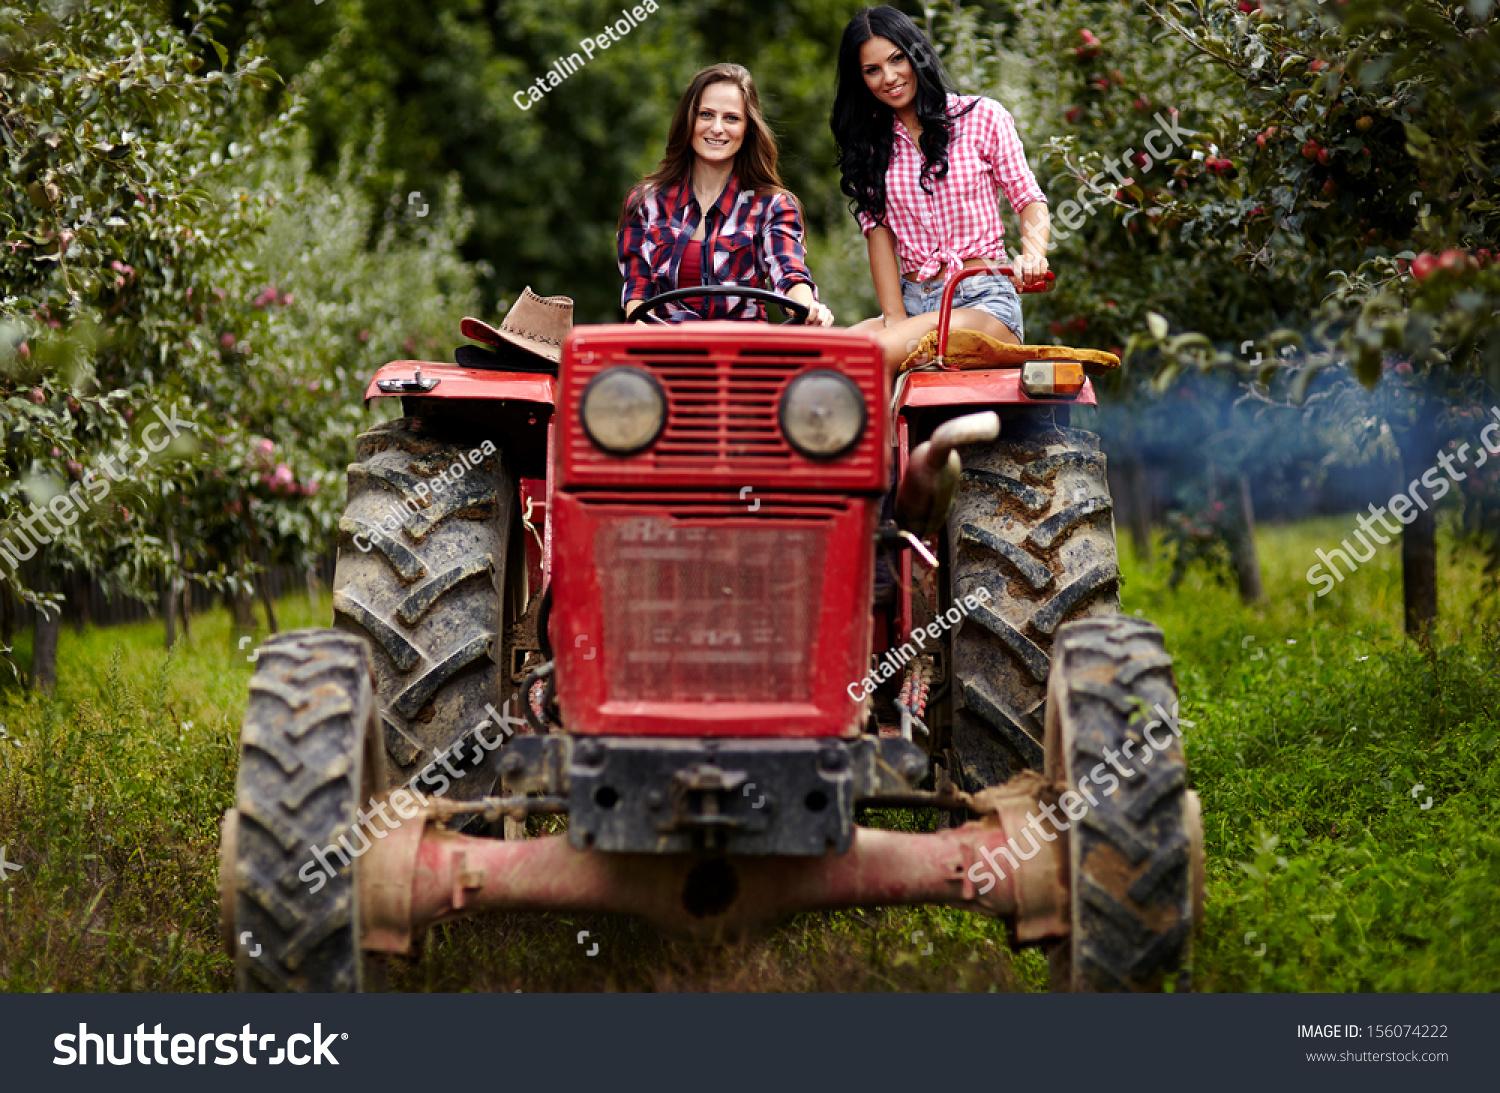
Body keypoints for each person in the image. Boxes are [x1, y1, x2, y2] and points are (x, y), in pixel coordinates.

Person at [831, 5, 1052, 365]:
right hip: (911, 303)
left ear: (915, 54)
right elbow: (879, 232)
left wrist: (1034, 255)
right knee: (827, 358)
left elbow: (1029, 199)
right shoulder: (871, 144)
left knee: (874, 354)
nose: (889, 77)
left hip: (983, 300)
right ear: (861, 80)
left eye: (897, 59)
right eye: (872, 70)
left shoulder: (982, 117)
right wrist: (895, 320)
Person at [619, 63, 835, 327]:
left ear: (747, 129)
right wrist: (644, 332)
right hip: (665, 349)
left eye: (731, 118)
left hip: (744, 354)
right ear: (690, 120)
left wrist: (808, 306)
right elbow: (637, 292)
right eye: (706, 115)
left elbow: (789, 271)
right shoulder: (644, 202)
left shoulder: (772, 205)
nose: (717, 128)